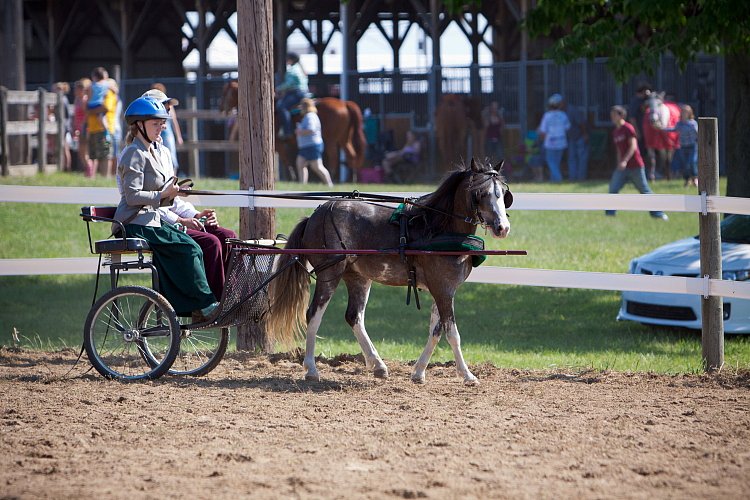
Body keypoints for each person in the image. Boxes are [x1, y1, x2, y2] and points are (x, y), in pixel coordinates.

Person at [114, 96, 218, 321]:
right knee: (189, 250)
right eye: (155, 124)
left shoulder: (151, 151)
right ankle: (205, 305)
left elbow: (157, 197)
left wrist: (173, 194)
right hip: (135, 224)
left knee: (194, 247)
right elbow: (132, 196)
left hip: (150, 220)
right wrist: (163, 194)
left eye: (161, 124)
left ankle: (195, 306)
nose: (160, 128)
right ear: (139, 126)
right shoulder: (134, 153)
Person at [143, 84, 237, 300]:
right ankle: (213, 301)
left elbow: (171, 196)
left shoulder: (164, 152)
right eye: (162, 112)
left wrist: (195, 215)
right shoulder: (140, 155)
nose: (165, 119)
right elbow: (152, 203)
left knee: (228, 237)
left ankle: (227, 297)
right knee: (211, 243)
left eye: (166, 113)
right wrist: (180, 221)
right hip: (155, 222)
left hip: (169, 215)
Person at [606, 105, 668, 221]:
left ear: (622, 115)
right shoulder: (615, 132)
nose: (612, 117)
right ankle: (610, 215)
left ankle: (659, 214)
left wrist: (625, 160)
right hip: (623, 167)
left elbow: (633, 146)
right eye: (611, 115)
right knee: (613, 188)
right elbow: (619, 149)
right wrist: (620, 163)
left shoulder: (628, 128)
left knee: (644, 190)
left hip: (635, 166)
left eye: (614, 114)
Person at [143, 84, 184, 175]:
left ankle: (172, 177)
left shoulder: (169, 107)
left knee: (170, 157)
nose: (167, 110)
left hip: (167, 134)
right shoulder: (138, 146)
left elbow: (174, 121)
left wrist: (179, 136)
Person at [86, 67, 117, 177]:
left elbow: (105, 108)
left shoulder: (107, 92)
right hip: (93, 128)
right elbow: (87, 109)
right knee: (93, 155)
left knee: (105, 155)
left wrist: (91, 111)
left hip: (104, 129)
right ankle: (93, 178)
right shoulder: (100, 88)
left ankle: (105, 178)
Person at [294, 98, 333, 187]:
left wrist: (300, 131)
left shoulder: (310, 116)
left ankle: (329, 185)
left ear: (305, 107)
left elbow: (311, 129)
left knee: (317, 167)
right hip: (307, 146)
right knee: (300, 164)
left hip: (312, 146)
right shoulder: (309, 116)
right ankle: (302, 185)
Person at [537, 93, 570, 182]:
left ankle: (558, 179)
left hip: (550, 142)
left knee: (550, 161)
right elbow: (567, 128)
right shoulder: (563, 115)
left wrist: (544, 138)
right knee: (556, 162)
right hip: (561, 141)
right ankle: (553, 180)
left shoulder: (547, 116)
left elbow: (543, 130)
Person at [664, 104, 699, 187]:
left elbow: (698, 134)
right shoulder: (679, 123)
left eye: (685, 111)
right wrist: (662, 128)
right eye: (682, 111)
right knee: (685, 165)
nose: (683, 113)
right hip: (683, 147)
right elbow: (674, 129)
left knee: (692, 162)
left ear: (689, 113)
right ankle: (687, 180)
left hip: (692, 146)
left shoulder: (693, 123)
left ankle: (695, 179)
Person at [275, 52, 309, 138]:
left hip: (296, 92)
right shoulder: (301, 69)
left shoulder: (292, 70)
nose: (286, 60)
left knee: (281, 107)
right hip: (303, 92)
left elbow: (289, 84)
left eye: (288, 59)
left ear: (291, 60)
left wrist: (277, 89)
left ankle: (287, 131)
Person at [565, 102, 589, 181]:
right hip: (571, 138)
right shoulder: (560, 111)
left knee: (582, 158)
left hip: (580, 137)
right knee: (571, 158)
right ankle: (572, 178)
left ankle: (581, 178)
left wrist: (585, 134)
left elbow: (581, 123)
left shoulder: (572, 110)